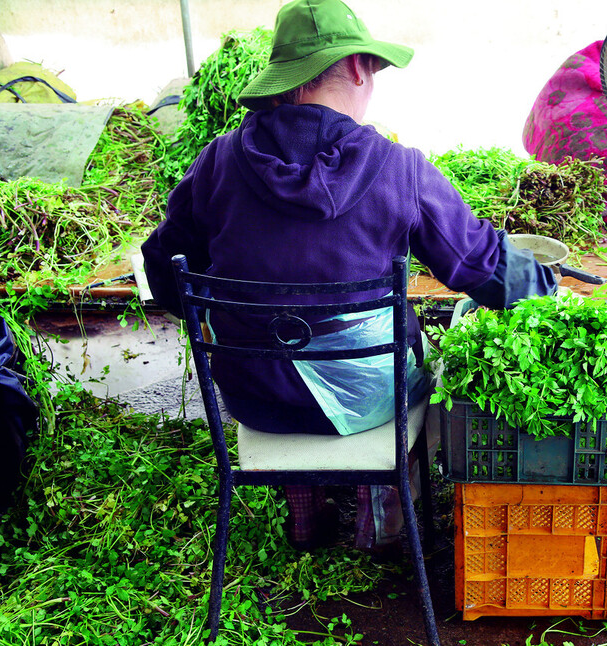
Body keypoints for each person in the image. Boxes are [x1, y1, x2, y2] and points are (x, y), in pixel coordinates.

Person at [141, 0, 557, 552]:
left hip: (255, 394)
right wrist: (549, 291)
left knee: (291, 351)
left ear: (285, 82)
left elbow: (165, 270)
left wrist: (238, 317)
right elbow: (478, 262)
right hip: (369, 400)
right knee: (417, 354)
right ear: (359, 68)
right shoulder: (401, 170)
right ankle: (380, 515)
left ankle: (305, 516)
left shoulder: (217, 162)